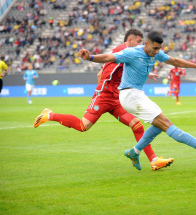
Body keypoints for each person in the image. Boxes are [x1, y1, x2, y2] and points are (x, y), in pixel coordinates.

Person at [34, 29, 174, 170]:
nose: (141, 45)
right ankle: (49, 115)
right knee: (83, 126)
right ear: (130, 40)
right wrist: (102, 89)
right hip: (104, 96)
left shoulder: (128, 53)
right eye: (138, 41)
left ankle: (153, 160)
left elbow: (101, 73)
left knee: (137, 125)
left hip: (116, 98)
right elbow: (106, 64)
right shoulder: (124, 49)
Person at [79, 31, 196, 170]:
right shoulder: (132, 53)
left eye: (159, 49)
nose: (156, 52)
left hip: (137, 94)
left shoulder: (156, 53)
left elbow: (175, 61)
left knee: (159, 126)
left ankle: (134, 152)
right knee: (166, 123)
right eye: (154, 48)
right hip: (129, 96)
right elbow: (108, 57)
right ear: (146, 43)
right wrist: (90, 57)